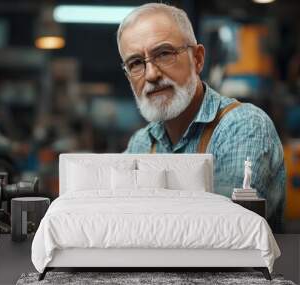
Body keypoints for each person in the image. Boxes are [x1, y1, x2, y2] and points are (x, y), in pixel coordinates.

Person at [118, 3, 285, 232]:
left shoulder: (243, 127)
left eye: (164, 54)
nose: (152, 74)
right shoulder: (141, 144)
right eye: (136, 63)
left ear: (197, 59)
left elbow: (227, 230)